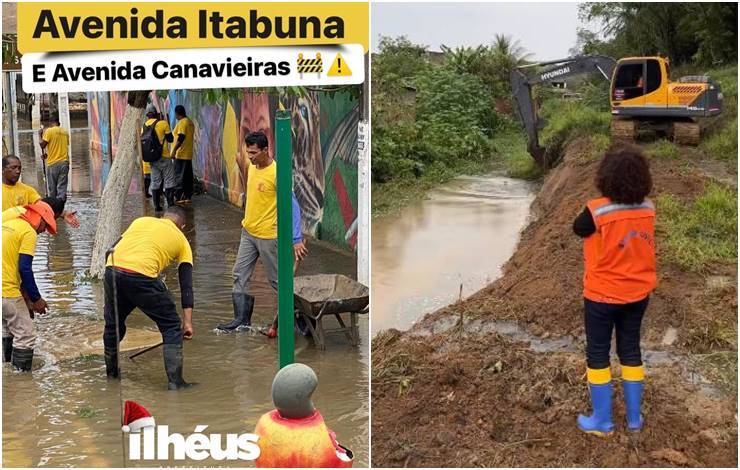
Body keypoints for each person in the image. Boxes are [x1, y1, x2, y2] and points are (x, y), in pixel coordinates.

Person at [573, 145, 656, 436]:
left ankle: (602, 421)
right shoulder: (648, 207)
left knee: (598, 352)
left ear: (605, 177)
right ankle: (634, 420)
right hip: (637, 294)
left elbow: (578, 228)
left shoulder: (597, 210)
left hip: (602, 295)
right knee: (631, 349)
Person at [217, 131, 308, 332]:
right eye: (248, 152)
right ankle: (241, 320)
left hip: (269, 236)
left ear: (266, 150)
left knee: (278, 282)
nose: (250, 156)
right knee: (239, 274)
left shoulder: (277, 173)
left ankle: (302, 320)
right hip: (248, 233)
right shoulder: (251, 167)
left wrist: (296, 238)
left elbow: (293, 206)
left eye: (254, 152)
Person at [103, 206, 195, 390]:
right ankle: (176, 384)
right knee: (171, 327)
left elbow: (110, 250)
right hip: (142, 277)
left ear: (162, 217)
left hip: (112, 270)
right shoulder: (182, 241)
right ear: (182, 226)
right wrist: (187, 323)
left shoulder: (141, 221)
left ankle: (112, 375)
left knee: (113, 324)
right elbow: (186, 286)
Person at [2, 200, 57, 371]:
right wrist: (37, 299)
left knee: (8, 329)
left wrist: (27, 300)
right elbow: (24, 268)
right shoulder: (28, 231)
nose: (43, 231)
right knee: (26, 335)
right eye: (45, 226)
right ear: (39, 218)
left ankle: (7, 371)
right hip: (6, 290)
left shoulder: (8, 224)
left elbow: (14, 267)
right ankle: (22, 381)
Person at [2, 155, 80, 227]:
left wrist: (64, 214)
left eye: (19, 168)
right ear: (2, 169)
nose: (18, 171)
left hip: (22, 232)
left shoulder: (27, 190)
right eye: (13, 168)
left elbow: (44, 207)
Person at [142, 105, 174, 211]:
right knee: (169, 179)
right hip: (164, 156)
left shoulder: (144, 125)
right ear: (156, 114)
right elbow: (170, 139)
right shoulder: (163, 123)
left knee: (155, 181)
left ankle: (157, 207)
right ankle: (170, 205)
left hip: (152, 159)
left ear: (147, 115)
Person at [39, 114, 70, 201]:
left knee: (52, 189)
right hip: (64, 163)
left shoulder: (49, 131)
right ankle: (61, 206)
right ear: (58, 123)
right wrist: (47, 155)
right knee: (62, 188)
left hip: (53, 164)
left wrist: (39, 135)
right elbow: (60, 148)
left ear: (51, 123)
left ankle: (53, 208)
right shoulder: (65, 132)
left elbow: (42, 145)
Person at [169, 105, 195, 203]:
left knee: (179, 176)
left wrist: (174, 150)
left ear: (177, 113)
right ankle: (187, 196)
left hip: (181, 154)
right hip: (188, 154)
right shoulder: (190, 122)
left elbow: (181, 137)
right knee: (187, 176)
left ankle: (179, 197)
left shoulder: (182, 122)